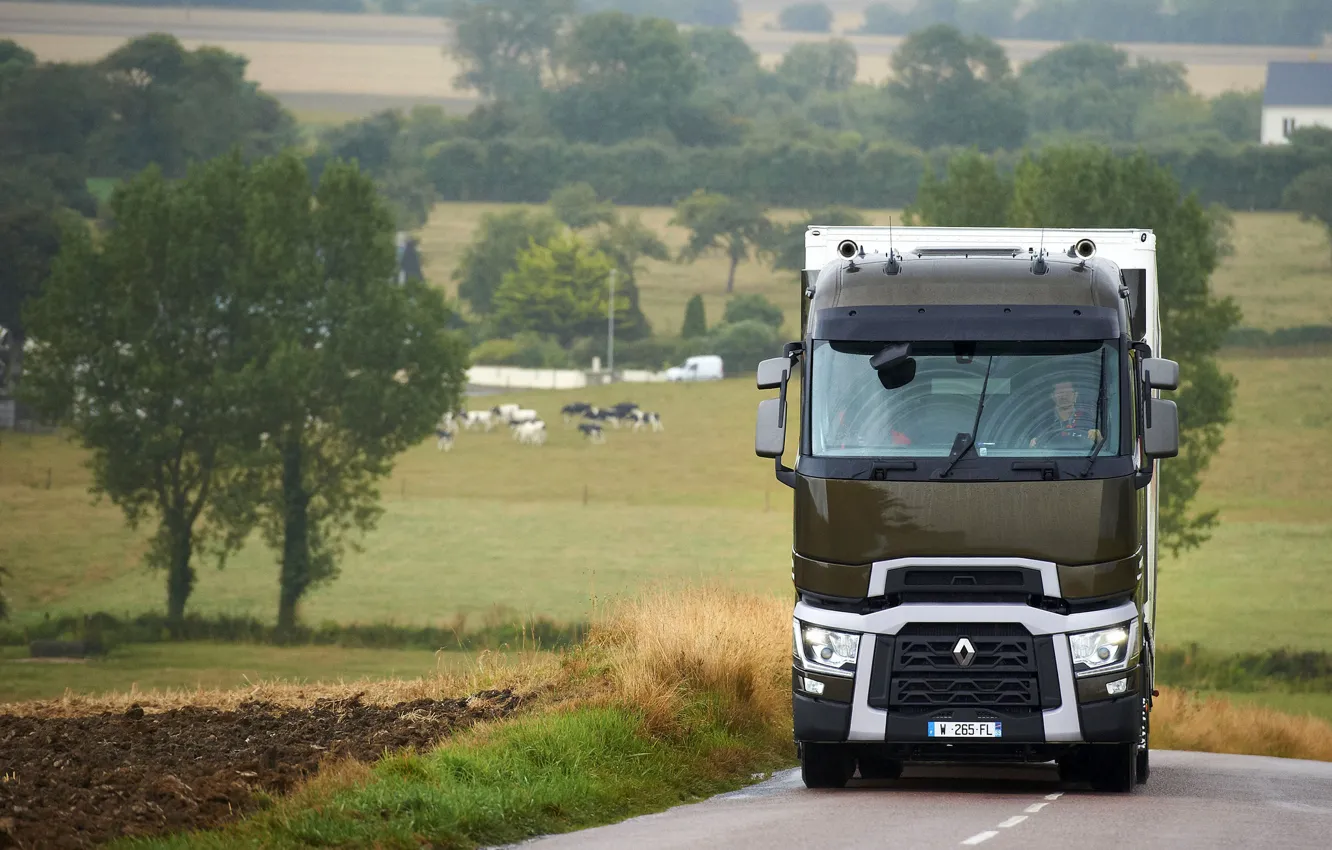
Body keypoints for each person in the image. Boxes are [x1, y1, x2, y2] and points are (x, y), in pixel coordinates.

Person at [1029, 379, 1101, 448]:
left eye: (1067, 392)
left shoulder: (1087, 419)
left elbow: (1101, 447)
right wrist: (1032, 444)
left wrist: (1098, 438)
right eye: (1060, 393)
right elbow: (1031, 446)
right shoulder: (1042, 422)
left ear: (1075, 395)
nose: (1063, 396)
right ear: (1053, 396)